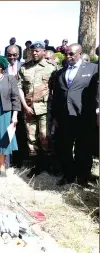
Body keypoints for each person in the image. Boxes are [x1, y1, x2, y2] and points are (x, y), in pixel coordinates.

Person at [52, 43, 99, 186]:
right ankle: (68, 176)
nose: (68, 56)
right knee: (64, 148)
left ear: (79, 53)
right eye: (66, 54)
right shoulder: (60, 72)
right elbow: (57, 95)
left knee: (83, 149)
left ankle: (83, 178)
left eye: (71, 54)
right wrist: (54, 115)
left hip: (84, 116)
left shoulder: (93, 68)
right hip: (65, 117)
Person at [17, 41, 58, 178]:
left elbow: (56, 90)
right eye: (33, 51)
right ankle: (36, 166)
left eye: (37, 51)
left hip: (45, 109)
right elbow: (19, 89)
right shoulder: (24, 68)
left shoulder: (51, 68)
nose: (34, 53)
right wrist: (25, 106)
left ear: (44, 52)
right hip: (29, 109)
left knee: (45, 138)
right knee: (31, 139)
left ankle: (48, 165)